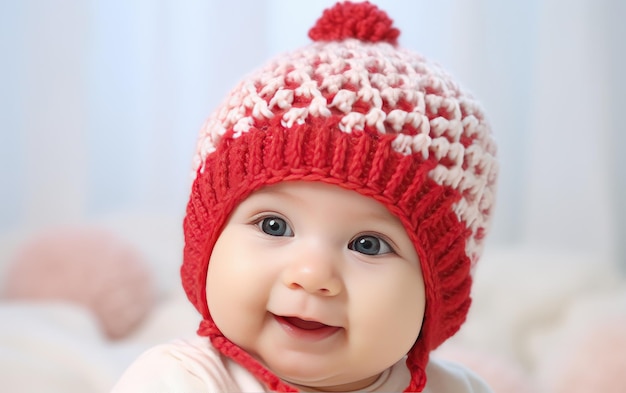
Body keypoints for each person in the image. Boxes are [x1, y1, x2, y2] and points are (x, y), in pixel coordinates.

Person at [112, 1, 498, 392]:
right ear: (206, 246)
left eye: (369, 244)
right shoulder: (179, 380)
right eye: (273, 225)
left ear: (438, 293)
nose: (312, 276)